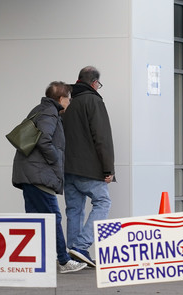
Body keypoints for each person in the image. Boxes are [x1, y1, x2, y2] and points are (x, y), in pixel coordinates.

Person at [12, 81, 87, 273]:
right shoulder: (49, 113)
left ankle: (35, 260)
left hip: (29, 173)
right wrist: (55, 159)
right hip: (38, 174)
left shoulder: (40, 109)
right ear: (61, 99)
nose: (69, 103)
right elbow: (44, 139)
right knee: (53, 217)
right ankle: (64, 261)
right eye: (68, 99)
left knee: (35, 219)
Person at [62, 66, 115, 267]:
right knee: (103, 202)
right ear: (94, 83)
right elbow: (102, 137)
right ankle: (81, 246)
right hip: (89, 169)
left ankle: (73, 257)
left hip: (68, 168)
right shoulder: (94, 101)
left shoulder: (68, 102)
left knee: (74, 210)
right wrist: (108, 169)